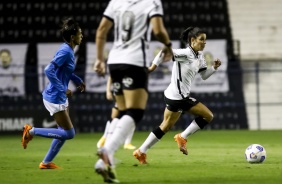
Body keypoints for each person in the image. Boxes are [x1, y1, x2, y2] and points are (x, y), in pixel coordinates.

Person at [93, 0, 172, 182]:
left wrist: (99, 59)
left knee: (121, 110)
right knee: (135, 112)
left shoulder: (116, 2)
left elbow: (101, 30)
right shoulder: (152, 2)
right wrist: (168, 45)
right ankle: (107, 151)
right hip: (134, 62)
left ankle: (107, 163)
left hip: (114, 61)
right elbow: (158, 30)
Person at [133, 26, 222, 164]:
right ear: (193, 40)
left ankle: (141, 151)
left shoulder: (199, 56)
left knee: (165, 126)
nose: (204, 43)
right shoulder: (185, 53)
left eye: (205, 40)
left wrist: (214, 68)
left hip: (175, 96)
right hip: (178, 97)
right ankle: (182, 137)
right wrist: (152, 68)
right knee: (208, 116)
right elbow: (164, 51)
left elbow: (204, 76)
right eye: (201, 40)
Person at [21, 18, 85, 169]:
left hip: (59, 96)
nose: (82, 35)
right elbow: (48, 70)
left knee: (62, 132)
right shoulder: (65, 51)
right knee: (69, 133)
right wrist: (62, 88)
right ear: (72, 37)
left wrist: (77, 80)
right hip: (55, 96)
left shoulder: (68, 50)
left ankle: (46, 163)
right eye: (80, 33)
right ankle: (31, 131)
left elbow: (65, 71)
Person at [96, 76, 136, 150]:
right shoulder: (120, 67)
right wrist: (108, 91)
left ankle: (127, 143)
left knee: (132, 116)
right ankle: (105, 138)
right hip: (120, 92)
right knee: (115, 116)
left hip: (130, 91)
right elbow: (111, 77)